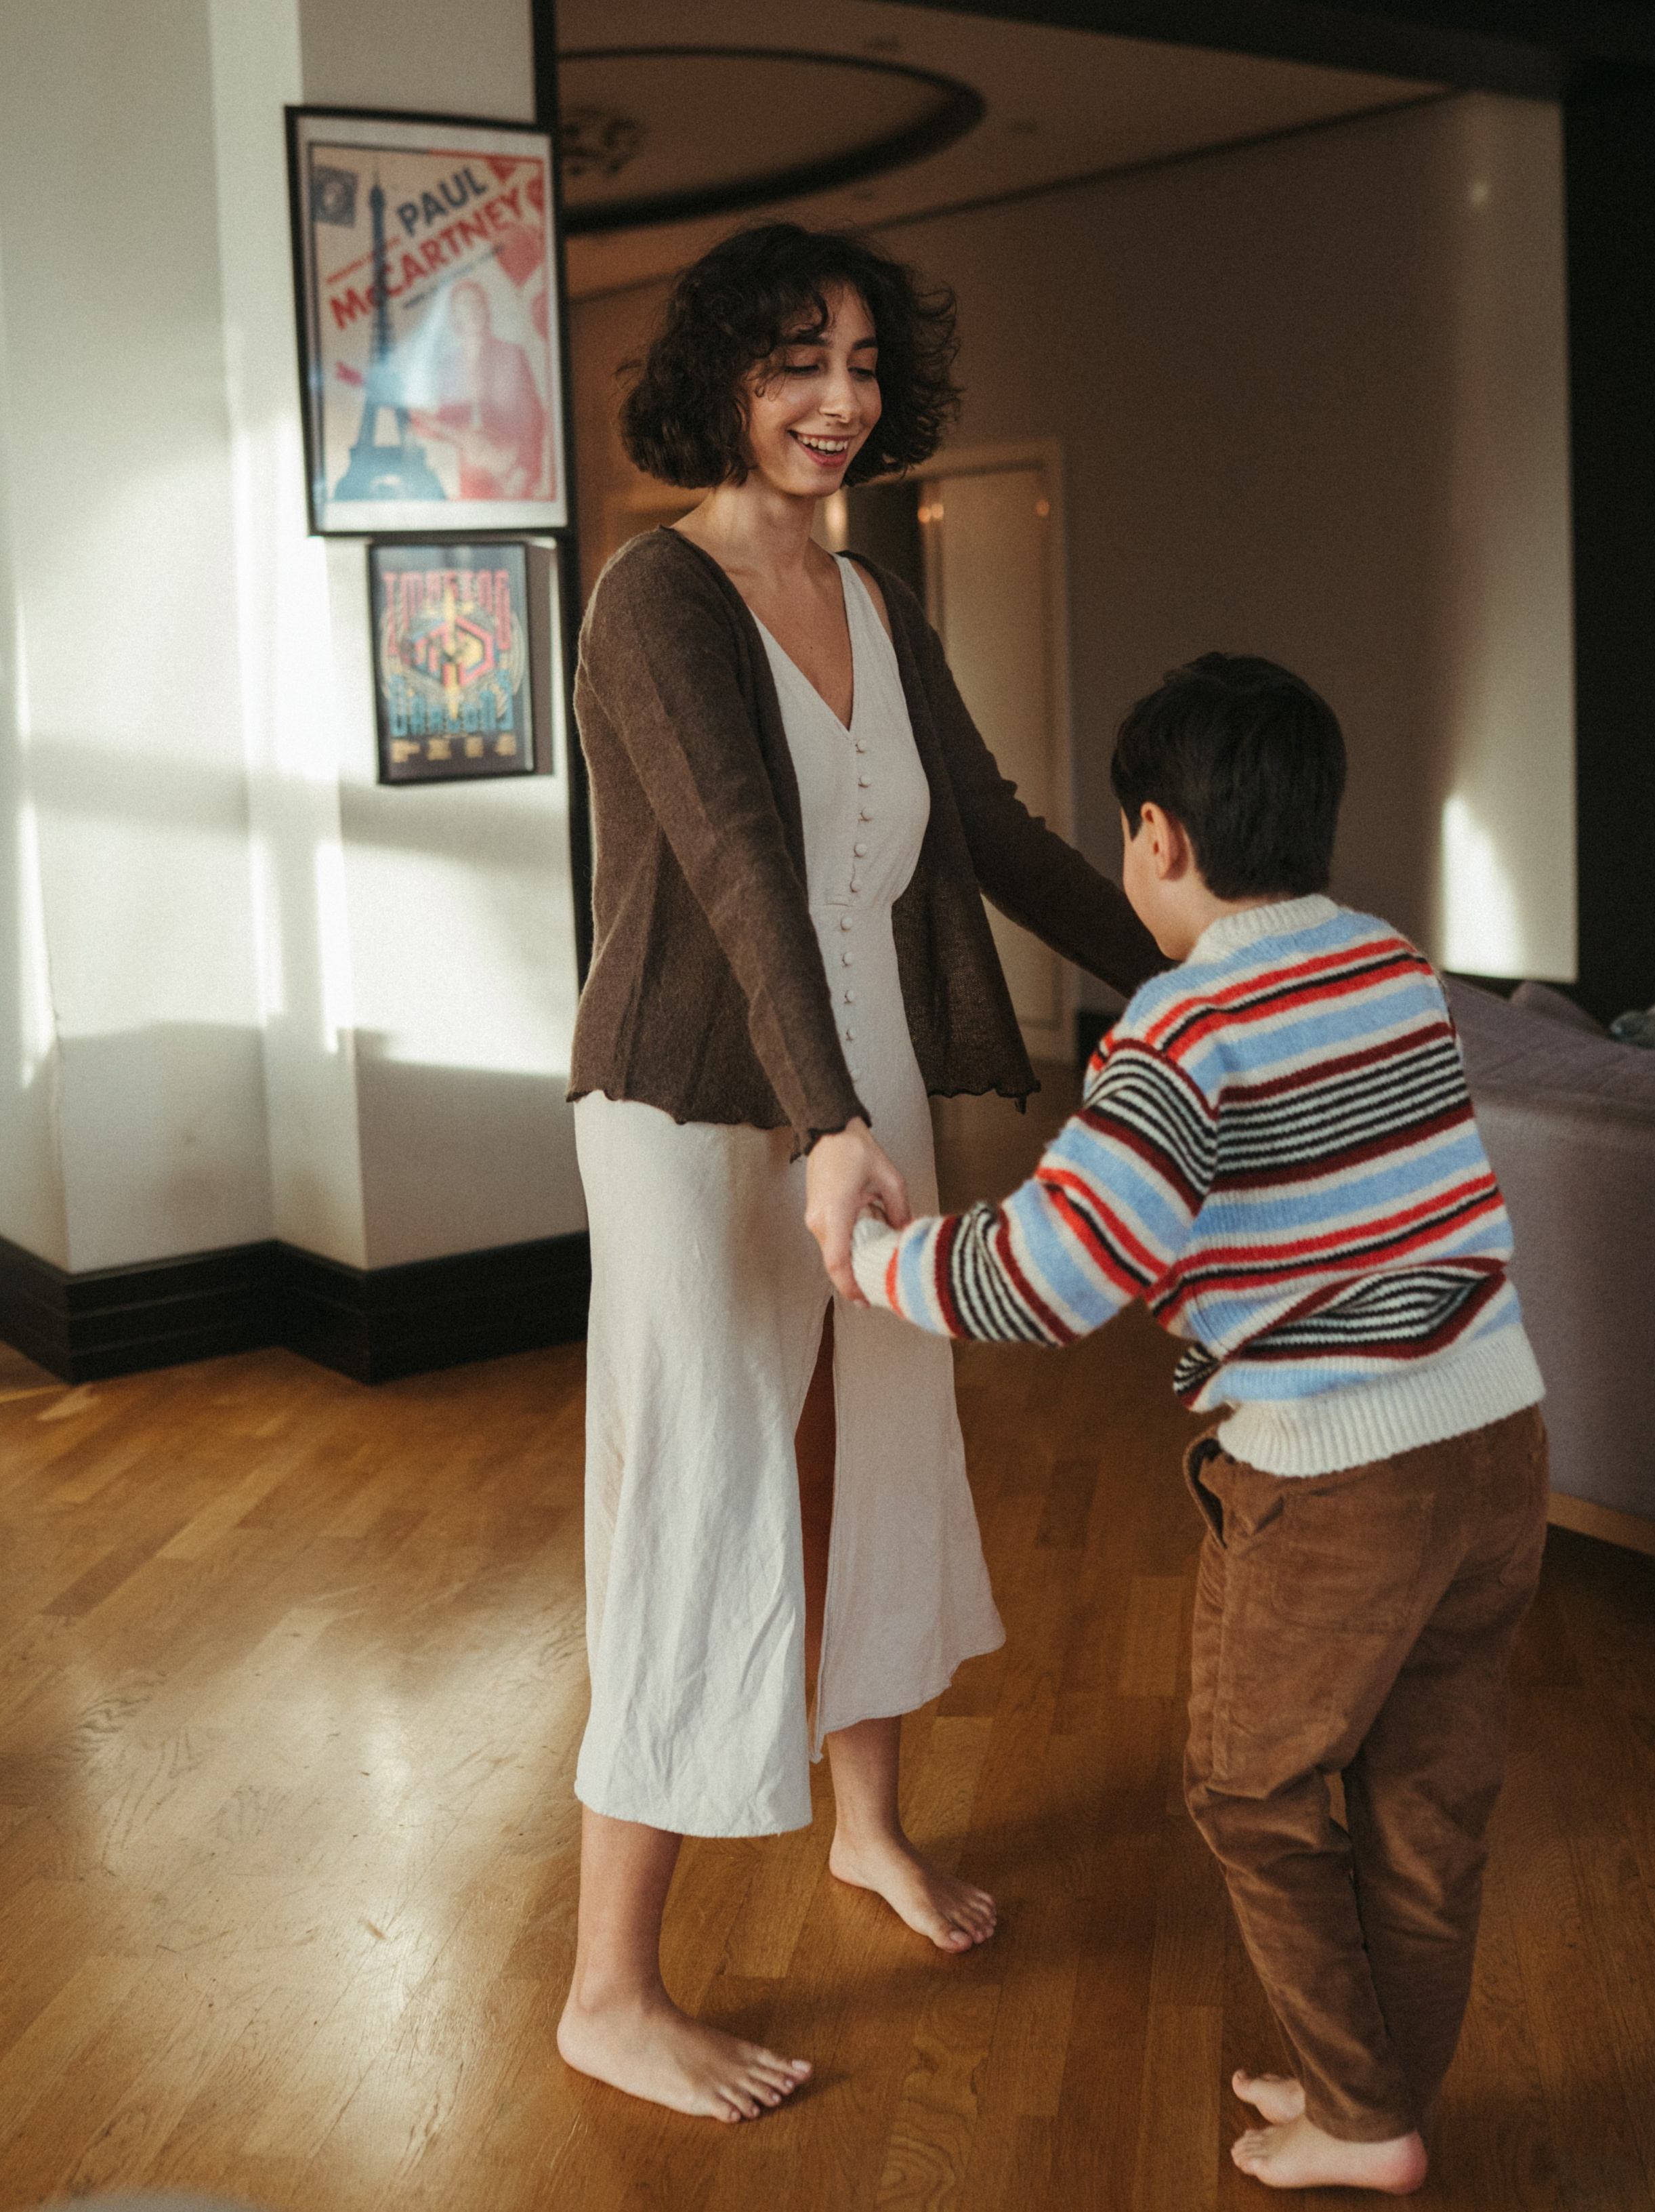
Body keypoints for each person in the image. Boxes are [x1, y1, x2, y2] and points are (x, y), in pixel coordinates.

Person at [560, 222, 1160, 2124]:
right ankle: (607, 1990)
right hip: (696, 1106)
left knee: (875, 1443)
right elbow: (742, 876)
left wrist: (1206, 961)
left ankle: (867, 1824)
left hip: (857, 1088)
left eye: (864, 363)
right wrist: (821, 1129)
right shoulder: (656, 597)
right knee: (707, 1485)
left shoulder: (873, 595)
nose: (838, 399)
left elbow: (986, 828)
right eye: (793, 362)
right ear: (720, 383)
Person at [853, 654, 1549, 2196]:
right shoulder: (1392, 965)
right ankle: (1376, 2093)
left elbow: (1050, 1278)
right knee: (1425, 1804)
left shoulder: (1183, 1029)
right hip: (1496, 1439)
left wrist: (874, 1258)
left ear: (1156, 837)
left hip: (1337, 1477)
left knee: (1253, 1787)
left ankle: (1362, 2116)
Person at [413, 276, 547, 497]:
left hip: (511, 470)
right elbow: (448, 423)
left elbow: (533, 417)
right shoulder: (449, 365)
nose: (473, 309)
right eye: (465, 304)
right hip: (470, 476)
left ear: (486, 309)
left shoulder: (511, 354)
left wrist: (525, 469)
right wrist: (418, 422)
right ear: (455, 316)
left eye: (477, 303)